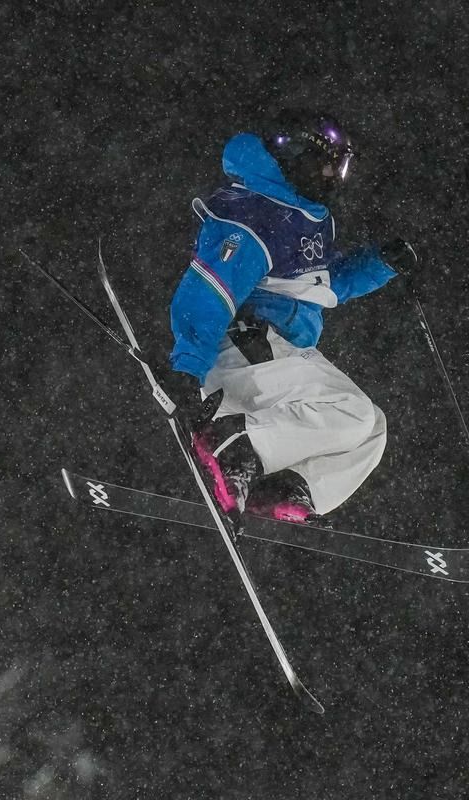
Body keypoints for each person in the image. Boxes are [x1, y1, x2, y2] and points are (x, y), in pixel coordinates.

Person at [157, 111, 419, 524]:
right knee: (351, 410)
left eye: (342, 168)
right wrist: (187, 368)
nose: (335, 178)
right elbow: (210, 290)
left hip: (274, 361)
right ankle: (234, 448)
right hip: (246, 348)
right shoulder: (256, 212)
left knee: (372, 428)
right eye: (331, 164)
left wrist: (379, 264)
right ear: (300, 155)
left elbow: (320, 284)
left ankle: (285, 489)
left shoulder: (300, 216)